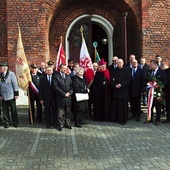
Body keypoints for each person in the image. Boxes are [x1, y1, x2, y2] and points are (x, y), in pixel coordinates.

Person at [145, 60, 167, 125]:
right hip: (150, 92)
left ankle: (157, 120)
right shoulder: (149, 72)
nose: (150, 65)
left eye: (151, 64)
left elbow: (165, 82)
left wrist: (159, 86)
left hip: (158, 92)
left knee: (158, 106)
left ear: (156, 65)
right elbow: (147, 80)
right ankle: (150, 118)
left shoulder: (162, 72)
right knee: (150, 106)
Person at [110, 59, 131, 125]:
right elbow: (111, 80)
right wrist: (114, 85)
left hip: (123, 91)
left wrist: (121, 85)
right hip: (116, 90)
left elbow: (129, 80)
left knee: (123, 106)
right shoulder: (114, 70)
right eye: (117, 63)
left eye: (119, 62)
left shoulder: (127, 70)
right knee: (116, 106)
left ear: (123, 63)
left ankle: (123, 119)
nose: (118, 64)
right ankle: (116, 118)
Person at [53, 64, 73, 131]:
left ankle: (67, 123)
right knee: (60, 113)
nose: (65, 69)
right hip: (60, 98)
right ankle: (60, 125)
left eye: (66, 68)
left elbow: (72, 87)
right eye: (63, 68)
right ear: (60, 68)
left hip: (68, 98)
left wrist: (69, 93)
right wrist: (64, 94)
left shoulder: (68, 76)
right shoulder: (56, 77)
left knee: (68, 112)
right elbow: (56, 87)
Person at [0, 62, 19, 128]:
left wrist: (16, 94)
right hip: (3, 96)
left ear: (5, 68)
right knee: (5, 110)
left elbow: (15, 84)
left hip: (11, 95)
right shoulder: (0, 75)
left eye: (1, 67)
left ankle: (15, 123)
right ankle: (6, 123)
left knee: (13, 110)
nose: (0, 69)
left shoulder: (11, 74)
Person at [163, 58, 170, 123]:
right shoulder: (166, 71)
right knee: (168, 105)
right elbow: (165, 81)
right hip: (168, 91)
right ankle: (168, 118)